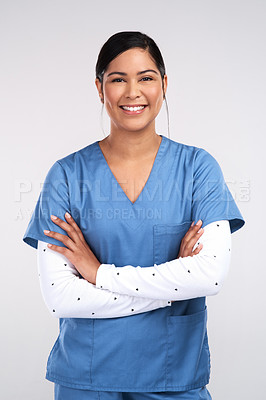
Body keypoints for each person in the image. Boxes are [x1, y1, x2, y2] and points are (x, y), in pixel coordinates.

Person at [23, 31, 245, 400]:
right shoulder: (66, 176)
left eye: (145, 78)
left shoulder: (197, 169)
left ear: (164, 84)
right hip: (87, 379)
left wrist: (97, 274)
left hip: (174, 376)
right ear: (100, 88)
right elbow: (61, 296)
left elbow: (210, 274)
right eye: (117, 79)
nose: (132, 93)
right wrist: (171, 287)